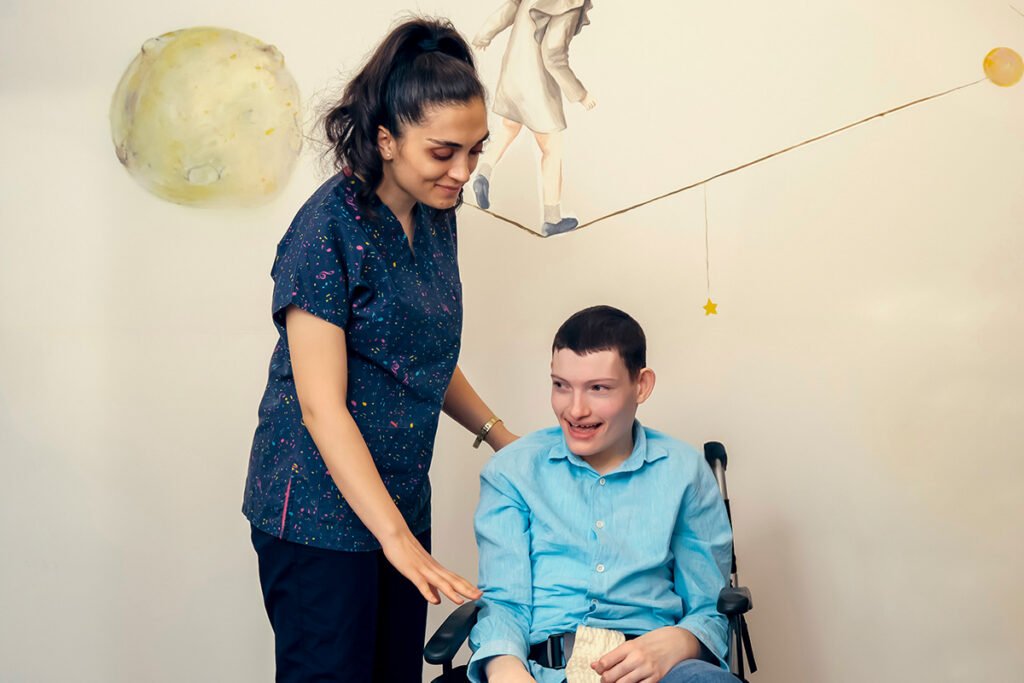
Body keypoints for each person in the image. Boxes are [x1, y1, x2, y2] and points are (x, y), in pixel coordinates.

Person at [242, 17, 518, 682]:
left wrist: (503, 437)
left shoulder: (435, 215)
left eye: (475, 151)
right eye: (444, 151)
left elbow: (419, 354)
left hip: (397, 501)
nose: (462, 172)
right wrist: (398, 543)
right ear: (387, 138)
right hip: (316, 517)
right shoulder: (325, 232)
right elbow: (320, 407)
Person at [468, 306, 735, 683]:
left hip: (657, 670)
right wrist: (505, 669)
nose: (575, 410)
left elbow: (708, 611)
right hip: (540, 669)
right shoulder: (512, 472)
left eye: (598, 388)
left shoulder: (684, 472)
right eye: (561, 385)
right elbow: (503, 604)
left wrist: (680, 641)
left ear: (641, 385)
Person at [470, 0, 596, 236]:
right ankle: (552, 218)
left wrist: (484, 35)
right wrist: (580, 93)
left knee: (509, 128)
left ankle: (483, 173)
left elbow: (507, 10)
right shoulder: (569, 3)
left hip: (513, 72)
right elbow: (553, 55)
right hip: (536, 85)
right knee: (552, 149)